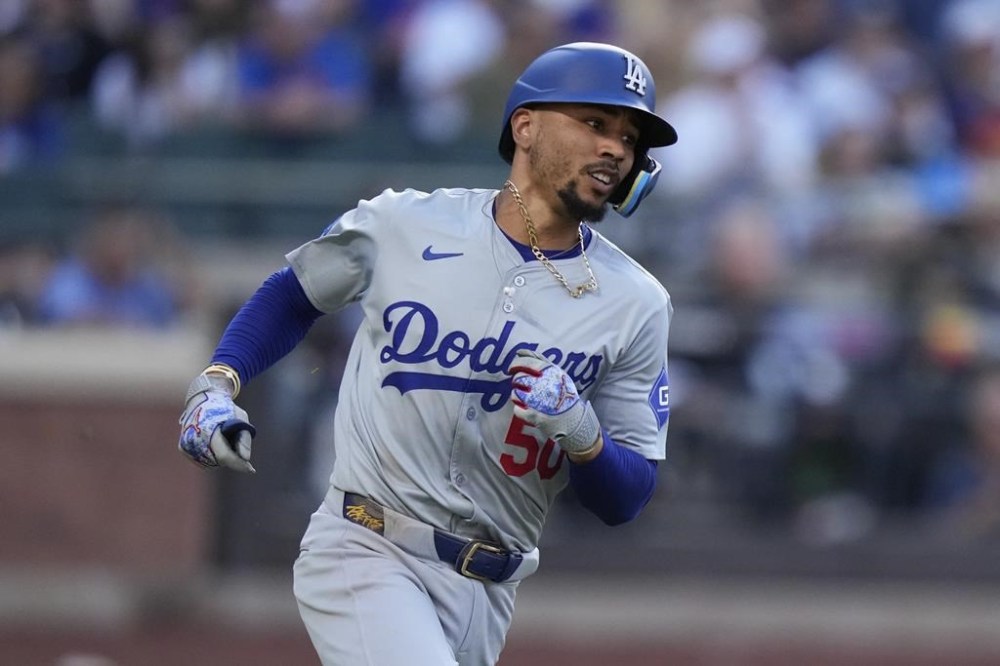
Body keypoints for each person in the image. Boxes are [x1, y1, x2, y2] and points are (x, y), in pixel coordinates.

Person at [177, 41, 677, 665]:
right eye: (596, 124)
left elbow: (626, 498)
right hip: (367, 547)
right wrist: (217, 382)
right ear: (525, 126)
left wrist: (582, 433)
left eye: (630, 139)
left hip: (491, 590)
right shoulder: (404, 225)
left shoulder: (637, 302)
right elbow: (295, 293)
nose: (615, 148)